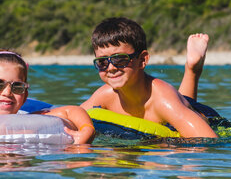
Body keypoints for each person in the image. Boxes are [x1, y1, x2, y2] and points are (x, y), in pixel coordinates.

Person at [80, 17, 218, 138]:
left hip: (204, 116)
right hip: (173, 108)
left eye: (120, 59)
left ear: (142, 60)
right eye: (102, 62)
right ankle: (192, 69)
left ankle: (193, 69)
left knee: (181, 104)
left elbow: (208, 140)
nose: (111, 68)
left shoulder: (162, 99)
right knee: (179, 102)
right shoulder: (104, 96)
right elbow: (72, 115)